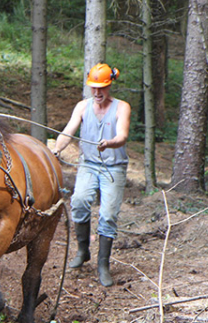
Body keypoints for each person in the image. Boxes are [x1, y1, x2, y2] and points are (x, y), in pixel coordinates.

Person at [51, 63, 131, 287]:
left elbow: (123, 135)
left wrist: (110, 142)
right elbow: (68, 131)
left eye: (102, 88)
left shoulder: (122, 107)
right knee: (78, 200)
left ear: (110, 85)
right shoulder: (82, 107)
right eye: (93, 88)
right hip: (88, 165)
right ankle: (82, 250)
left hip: (114, 168)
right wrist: (57, 149)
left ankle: (103, 264)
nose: (97, 93)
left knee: (107, 214)